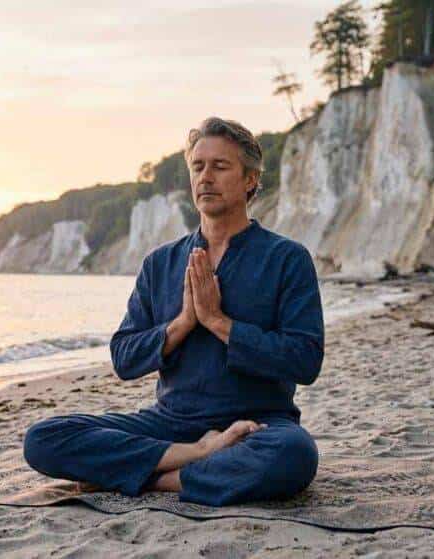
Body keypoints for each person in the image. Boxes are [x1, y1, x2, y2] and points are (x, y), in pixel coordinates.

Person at [22, 116, 324, 506]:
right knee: (44, 438)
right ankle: (196, 458)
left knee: (294, 456)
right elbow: (124, 358)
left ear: (250, 179)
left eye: (220, 166)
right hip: (168, 424)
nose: (205, 177)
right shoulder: (160, 262)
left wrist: (218, 322)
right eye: (198, 166)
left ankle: (154, 479)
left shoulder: (287, 259)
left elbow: (305, 361)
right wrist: (183, 323)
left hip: (257, 424)